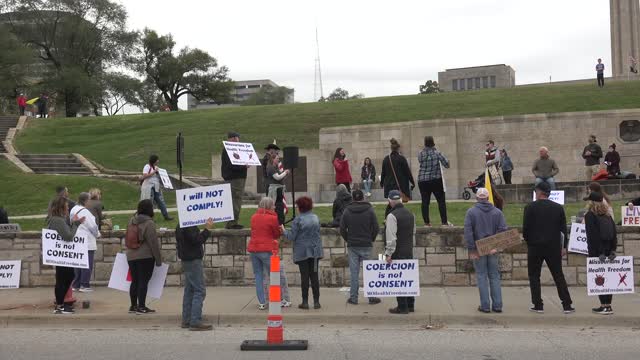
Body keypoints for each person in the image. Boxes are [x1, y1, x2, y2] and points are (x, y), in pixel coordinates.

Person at [523, 182, 574, 314]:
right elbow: (563, 230)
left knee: (534, 276)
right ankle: (567, 304)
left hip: (535, 246)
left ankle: (538, 304)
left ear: (539, 192)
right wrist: (563, 247)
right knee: (558, 275)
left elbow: (526, 230)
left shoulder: (529, 207)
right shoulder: (558, 208)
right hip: (553, 246)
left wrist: (529, 242)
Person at [464, 188, 507, 313]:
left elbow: (468, 233)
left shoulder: (471, 212)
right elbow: (503, 230)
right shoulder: (497, 212)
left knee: (481, 276)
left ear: (477, 198)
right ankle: (498, 305)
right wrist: (495, 246)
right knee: (494, 276)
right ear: (488, 198)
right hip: (493, 249)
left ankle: (485, 305)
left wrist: (472, 250)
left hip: (478, 249)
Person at [340, 189, 381, 305]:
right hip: (366, 244)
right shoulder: (369, 210)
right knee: (369, 272)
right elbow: (376, 227)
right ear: (363, 197)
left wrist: (348, 239)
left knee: (354, 273)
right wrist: (371, 238)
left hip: (353, 245)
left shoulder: (347, 211)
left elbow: (342, 229)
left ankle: (353, 298)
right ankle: (372, 297)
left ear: (353, 198)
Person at [283, 197, 323, 310]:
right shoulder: (316, 218)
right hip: (315, 251)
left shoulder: (298, 220)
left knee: (304, 276)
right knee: (314, 276)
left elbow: (292, 236)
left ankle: (305, 302)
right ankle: (316, 302)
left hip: (302, 251)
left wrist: (283, 231)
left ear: (300, 207)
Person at [48, 196, 86, 314]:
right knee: (63, 278)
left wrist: (73, 222)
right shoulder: (57, 220)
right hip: (62, 256)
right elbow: (68, 236)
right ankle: (60, 306)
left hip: (63, 255)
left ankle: (61, 304)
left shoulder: (58, 219)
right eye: (67, 205)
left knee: (67, 276)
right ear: (61, 207)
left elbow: (65, 231)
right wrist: (76, 224)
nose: (68, 207)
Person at [176, 218, 214, 330]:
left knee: (190, 290)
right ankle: (195, 321)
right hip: (192, 259)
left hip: (186, 259)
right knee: (199, 290)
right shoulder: (189, 225)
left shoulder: (181, 223)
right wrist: (207, 229)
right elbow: (197, 240)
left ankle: (187, 319)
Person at [126, 199, 162, 314]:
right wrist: (158, 259)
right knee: (143, 281)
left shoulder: (131, 220)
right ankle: (142, 306)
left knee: (134, 281)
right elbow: (153, 243)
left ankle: (133, 306)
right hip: (145, 256)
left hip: (131, 255)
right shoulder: (149, 223)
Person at [584, 192, 617, 315]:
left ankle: (603, 305)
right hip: (609, 253)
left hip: (598, 253)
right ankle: (608, 305)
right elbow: (614, 234)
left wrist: (598, 253)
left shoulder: (590, 216)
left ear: (591, 202)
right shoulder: (608, 215)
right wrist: (612, 250)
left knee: (599, 279)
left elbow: (592, 237)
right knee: (608, 279)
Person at [248, 197, 284, 310]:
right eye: (273, 205)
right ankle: (276, 299)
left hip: (254, 249)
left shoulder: (253, 217)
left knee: (258, 275)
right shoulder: (273, 218)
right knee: (273, 275)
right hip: (267, 249)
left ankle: (262, 302)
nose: (274, 207)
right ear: (269, 206)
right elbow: (276, 234)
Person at [384, 190, 416, 314]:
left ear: (390, 202)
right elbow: (413, 233)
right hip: (408, 249)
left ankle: (402, 306)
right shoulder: (411, 214)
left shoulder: (392, 216)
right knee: (408, 277)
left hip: (398, 251)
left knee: (399, 279)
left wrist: (388, 253)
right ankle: (410, 304)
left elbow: (391, 238)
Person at [417, 135, 451, 227]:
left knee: (425, 201)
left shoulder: (420, 154)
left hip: (422, 180)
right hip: (436, 179)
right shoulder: (437, 153)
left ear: (425, 143)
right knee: (441, 201)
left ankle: (426, 223)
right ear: (433, 142)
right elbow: (447, 164)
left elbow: (420, 161)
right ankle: (444, 222)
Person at [70, 193, 100, 292]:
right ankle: (84, 284)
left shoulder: (73, 209)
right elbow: (93, 226)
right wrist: (97, 235)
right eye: (89, 200)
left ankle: (76, 284)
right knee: (87, 263)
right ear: (86, 201)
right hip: (87, 240)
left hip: (76, 238)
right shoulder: (86, 212)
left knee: (78, 263)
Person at [221, 131, 247, 229]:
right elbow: (232, 165)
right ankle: (231, 223)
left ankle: (234, 222)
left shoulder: (237, 149)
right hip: (234, 179)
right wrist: (243, 166)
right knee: (235, 201)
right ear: (229, 139)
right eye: (234, 138)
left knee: (237, 201)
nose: (236, 139)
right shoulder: (228, 150)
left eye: (237, 137)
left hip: (240, 178)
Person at [140, 155, 172, 221]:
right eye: (157, 159)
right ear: (154, 160)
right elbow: (145, 176)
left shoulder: (156, 167)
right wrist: (154, 171)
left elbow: (160, 176)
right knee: (150, 203)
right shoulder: (147, 167)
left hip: (156, 187)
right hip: (148, 187)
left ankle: (166, 216)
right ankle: (150, 218)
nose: (158, 161)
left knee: (161, 201)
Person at [266, 153, 290, 225]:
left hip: (279, 189)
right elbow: (277, 177)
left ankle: (280, 222)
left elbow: (280, 178)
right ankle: (276, 222)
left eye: (278, 159)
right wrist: (285, 172)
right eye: (277, 158)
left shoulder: (275, 167)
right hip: (274, 190)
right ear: (273, 159)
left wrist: (285, 174)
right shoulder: (271, 167)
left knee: (280, 206)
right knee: (275, 206)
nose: (278, 160)